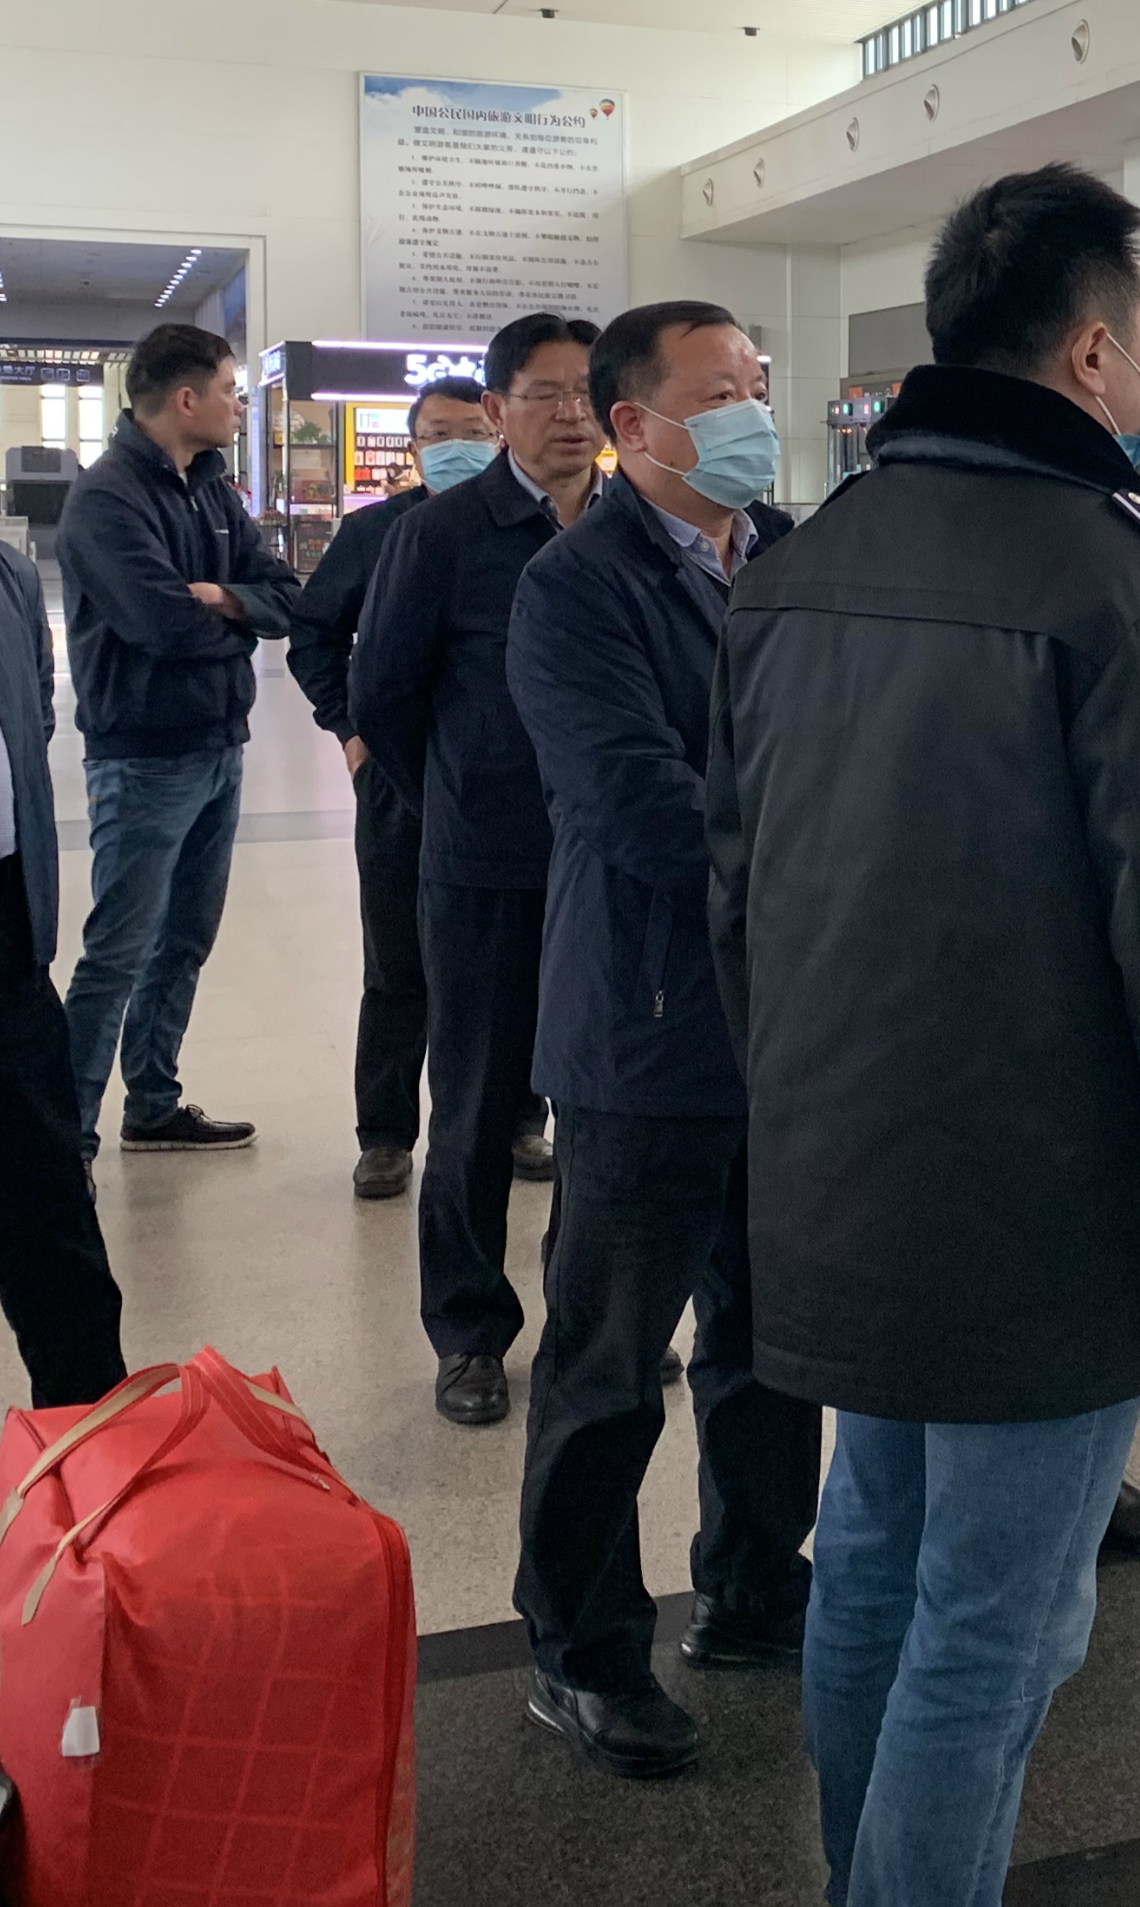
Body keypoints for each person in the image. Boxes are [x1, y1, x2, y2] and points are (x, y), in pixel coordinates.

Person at [710, 163, 1140, 1907]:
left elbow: (733, 892)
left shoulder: (807, 557)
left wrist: (797, 1122)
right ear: (1090, 352)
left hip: (842, 1173)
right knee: (995, 1624)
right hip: (1047, 1208)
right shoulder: (1131, 578)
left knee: (871, 1562)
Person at [506, 301, 821, 1779]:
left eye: (758, 384)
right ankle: (580, 1648)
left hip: (790, 1022)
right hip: (645, 1029)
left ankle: (755, 1586)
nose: (754, 410)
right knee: (612, 1358)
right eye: (720, 393)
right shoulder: (577, 585)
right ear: (634, 424)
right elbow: (636, 802)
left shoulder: (793, 555)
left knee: (770, 1339)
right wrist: (831, 846)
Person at [355, 312, 602, 1428]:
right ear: (498, 411)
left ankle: (597, 1318)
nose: (571, 413)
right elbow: (384, 696)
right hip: (484, 870)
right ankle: (468, 1332)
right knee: (476, 1105)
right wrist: (459, 801)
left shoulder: (631, 526)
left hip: (611, 867)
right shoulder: (443, 534)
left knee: (603, 1106)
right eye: (546, 393)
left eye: (587, 392)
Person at [290, 378, 551, 1200]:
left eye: (471, 431)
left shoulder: (529, 528)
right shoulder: (378, 533)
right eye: (437, 435)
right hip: (400, 782)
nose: (455, 447)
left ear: (499, 431)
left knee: (517, 957)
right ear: (412, 448)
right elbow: (314, 635)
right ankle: (385, 1134)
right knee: (399, 961)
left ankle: (521, 1119)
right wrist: (350, 732)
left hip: (499, 783)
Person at [56, 322, 301, 1163]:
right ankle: (64, 1143)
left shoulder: (211, 490)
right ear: (187, 399)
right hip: (142, 756)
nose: (239, 405)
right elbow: (160, 624)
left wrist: (227, 601)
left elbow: (284, 593)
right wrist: (241, 621)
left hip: (219, 745)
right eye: (231, 390)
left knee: (184, 941)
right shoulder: (108, 499)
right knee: (117, 953)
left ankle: (152, 1103)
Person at [0, 538, 128, 1407]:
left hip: (8, 930)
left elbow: (33, 719)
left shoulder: (8, 576)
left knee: (51, 1217)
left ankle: (91, 1438)